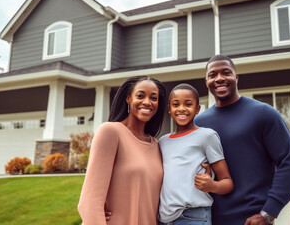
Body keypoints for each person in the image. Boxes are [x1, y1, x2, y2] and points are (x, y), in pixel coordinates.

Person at [194, 55, 290, 225]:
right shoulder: (198, 123)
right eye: (212, 75)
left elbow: (289, 162)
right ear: (206, 81)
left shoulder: (263, 113)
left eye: (226, 73)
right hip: (209, 219)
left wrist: (269, 212)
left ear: (236, 77)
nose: (219, 78)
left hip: (253, 219)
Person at [77, 76, 167, 225]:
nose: (147, 102)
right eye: (140, 95)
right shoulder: (111, 132)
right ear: (128, 99)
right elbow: (89, 203)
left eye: (154, 98)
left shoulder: (156, 145)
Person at [158, 83, 234, 225]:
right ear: (169, 109)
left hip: (193, 217)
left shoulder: (207, 136)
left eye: (188, 104)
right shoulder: (162, 142)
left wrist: (212, 186)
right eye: (176, 104)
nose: (181, 109)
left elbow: (227, 182)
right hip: (164, 218)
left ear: (197, 109)